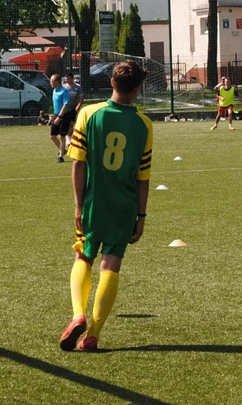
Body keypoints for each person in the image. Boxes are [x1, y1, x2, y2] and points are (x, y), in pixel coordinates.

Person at [59, 60, 152, 352]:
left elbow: (77, 163)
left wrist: (78, 205)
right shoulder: (144, 124)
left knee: (83, 258)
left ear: (111, 82)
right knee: (111, 265)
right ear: (137, 90)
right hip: (124, 206)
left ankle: (78, 315)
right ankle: (93, 334)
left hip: (92, 202)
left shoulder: (88, 113)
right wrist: (141, 215)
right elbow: (143, 176)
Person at [49, 74, 73, 164]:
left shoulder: (64, 91)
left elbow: (65, 105)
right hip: (56, 115)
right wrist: (54, 115)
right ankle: (63, 150)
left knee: (62, 136)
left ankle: (61, 156)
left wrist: (59, 117)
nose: (50, 83)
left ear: (56, 82)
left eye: (51, 81)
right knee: (52, 136)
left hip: (64, 116)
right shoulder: (54, 91)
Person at [64, 73, 84, 139]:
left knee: (72, 123)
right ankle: (68, 138)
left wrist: (79, 105)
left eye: (68, 79)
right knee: (68, 123)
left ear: (72, 79)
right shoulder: (63, 86)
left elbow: (81, 97)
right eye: (66, 79)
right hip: (66, 108)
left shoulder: (78, 87)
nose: (67, 80)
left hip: (74, 108)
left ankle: (69, 138)